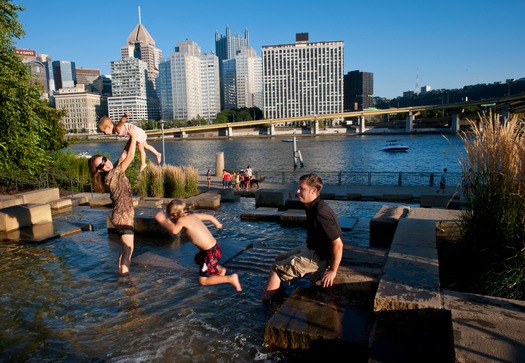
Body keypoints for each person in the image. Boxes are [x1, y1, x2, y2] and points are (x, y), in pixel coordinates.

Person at [261, 173, 343, 305]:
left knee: (275, 269)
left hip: (319, 257)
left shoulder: (320, 212)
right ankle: (279, 294)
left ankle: (266, 305)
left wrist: (333, 270)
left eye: (302, 189)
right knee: (279, 258)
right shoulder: (313, 206)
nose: (297, 191)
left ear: (313, 191)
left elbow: (337, 244)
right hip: (311, 248)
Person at [155, 199, 242, 292]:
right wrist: (217, 224)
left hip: (210, 253)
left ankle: (230, 278)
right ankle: (220, 269)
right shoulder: (193, 215)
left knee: (203, 281)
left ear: (174, 215)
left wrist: (163, 221)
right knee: (198, 259)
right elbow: (210, 217)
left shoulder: (181, 220)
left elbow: (174, 231)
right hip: (215, 247)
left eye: (170, 217)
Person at [88, 128, 138, 276]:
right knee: (129, 250)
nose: (106, 163)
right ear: (99, 170)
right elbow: (130, 157)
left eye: (104, 159)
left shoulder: (111, 173)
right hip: (123, 216)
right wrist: (134, 137)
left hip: (120, 215)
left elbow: (123, 154)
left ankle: (119, 271)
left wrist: (130, 137)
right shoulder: (113, 175)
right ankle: (125, 281)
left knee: (125, 248)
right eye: (101, 165)